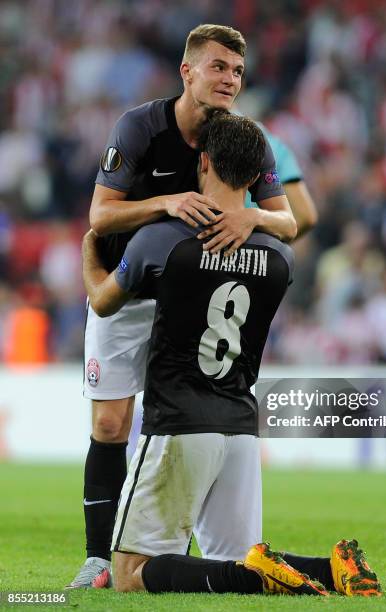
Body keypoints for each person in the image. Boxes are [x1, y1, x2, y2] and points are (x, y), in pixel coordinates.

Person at [82, 111, 381, 597]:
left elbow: (102, 300)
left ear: (202, 162)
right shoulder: (280, 258)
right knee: (230, 560)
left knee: (130, 573)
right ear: (259, 174)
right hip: (241, 425)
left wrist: (89, 251)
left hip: (179, 424)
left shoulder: (160, 242)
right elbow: (282, 228)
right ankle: (332, 568)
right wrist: (261, 219)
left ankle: (263, 579)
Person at [69, 24, 298, 588]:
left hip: (193, 292)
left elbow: (288, 221)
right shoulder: (141, 127)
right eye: (218, 67)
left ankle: (171, 553)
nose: (230, 80)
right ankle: (100, 557)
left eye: (238, 71)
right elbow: (100, 216)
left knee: (186, 419)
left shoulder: (245, 139)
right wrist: (165, 202)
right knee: (110, 420)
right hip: (131, 286)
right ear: (187, 71)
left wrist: (254, 216)